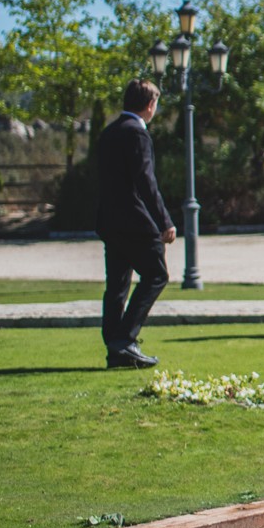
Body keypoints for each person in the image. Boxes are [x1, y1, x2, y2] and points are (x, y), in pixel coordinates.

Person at [95, 79, 176, 369]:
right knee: (157, 275)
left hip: (110, 222)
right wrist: (164, 220)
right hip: (136, 222)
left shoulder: (109, 132)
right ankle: (124, 340)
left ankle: (116, 347)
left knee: (117, 284)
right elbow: (145, 182)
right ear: (150, 105)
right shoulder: (137, 134)